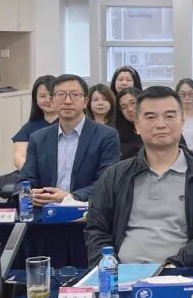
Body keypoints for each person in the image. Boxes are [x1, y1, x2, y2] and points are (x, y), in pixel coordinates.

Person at [85, 86, 193, 268]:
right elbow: (96, 229)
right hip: (122, 275)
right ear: (137, 125)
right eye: (151, 117)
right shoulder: (115, 175)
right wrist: (110, 267)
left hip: (180, 274)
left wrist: (174, 266)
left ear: (182, 123)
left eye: (169, 116)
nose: (161, 124)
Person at [18, 74, 120, 204]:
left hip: (86, 210)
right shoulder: (38, 138)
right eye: (61, 94)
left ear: (85, 102)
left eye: (75, 94)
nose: (67, 101)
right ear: (52, 101)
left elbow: (108, 182)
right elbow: (25, 180)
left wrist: (70, 198)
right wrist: (31, 194)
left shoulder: (106, 136)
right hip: (46, 208)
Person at [12, 75, 57, 170]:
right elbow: (19, 158)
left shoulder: (69, 125)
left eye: (52, 95)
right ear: (35, 99)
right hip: (33, 175)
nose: (48, 100)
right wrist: (35, 173)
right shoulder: (29, 128)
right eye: (42, 96)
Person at [115, 87, 143, 160]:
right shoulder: (117, 136)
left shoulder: (157, 128)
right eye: (124, 107)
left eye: (133, 103)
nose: (130, 109)